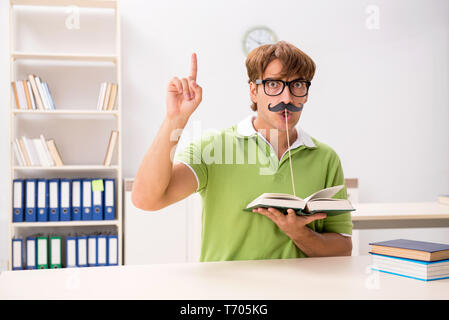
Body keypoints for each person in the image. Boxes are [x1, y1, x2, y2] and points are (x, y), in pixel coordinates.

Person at [132, 41, 353, 262]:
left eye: (297, 85)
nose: (287, 98)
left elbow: (343, 250)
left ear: (305, 94)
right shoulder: (214, 149)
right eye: (274, 85)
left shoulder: (326, 158)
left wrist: (299, 233)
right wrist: (175, 119)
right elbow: (146, 199)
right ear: (253, 91)